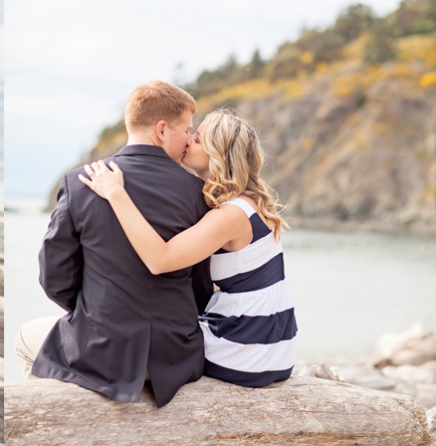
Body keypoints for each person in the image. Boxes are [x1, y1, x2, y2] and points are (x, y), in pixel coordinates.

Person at [16, 81, 214, 407]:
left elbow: (54, 278)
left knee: (25, 338)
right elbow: (201, 288)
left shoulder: (81, 183)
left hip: (103, 352)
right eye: (186, 131)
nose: (188, 142)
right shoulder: (198, 193)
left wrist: (99, 317)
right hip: (176, 357)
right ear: (162, 130)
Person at [79, 109, 297, 387]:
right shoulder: (249, 205)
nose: (187, 142)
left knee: (130, 350)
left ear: (218, 153)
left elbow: (160, 259)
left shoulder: (230, 215)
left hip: (245, 354)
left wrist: (115, 193)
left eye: (197, 139)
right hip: (274, 351)